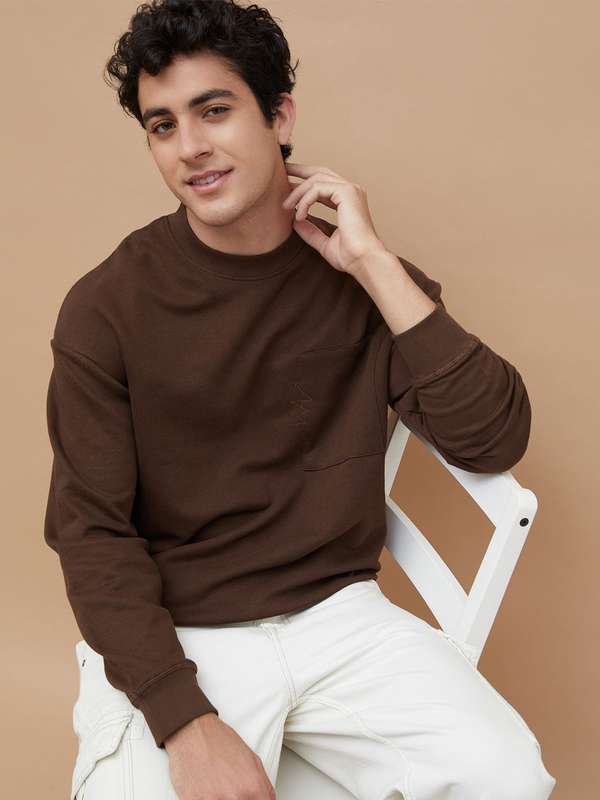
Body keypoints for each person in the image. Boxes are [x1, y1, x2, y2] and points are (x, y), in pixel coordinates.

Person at [43, 1, 557, 798]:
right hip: (180, 632)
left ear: (279, 116)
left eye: (214, 110)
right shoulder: (105, 308)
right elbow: (92, 535)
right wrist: (184, 720)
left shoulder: (363, 280)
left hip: (340, 619)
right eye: (163, 126)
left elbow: (492, 440)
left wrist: (374, 262)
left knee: (509, 778)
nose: (190, 147)